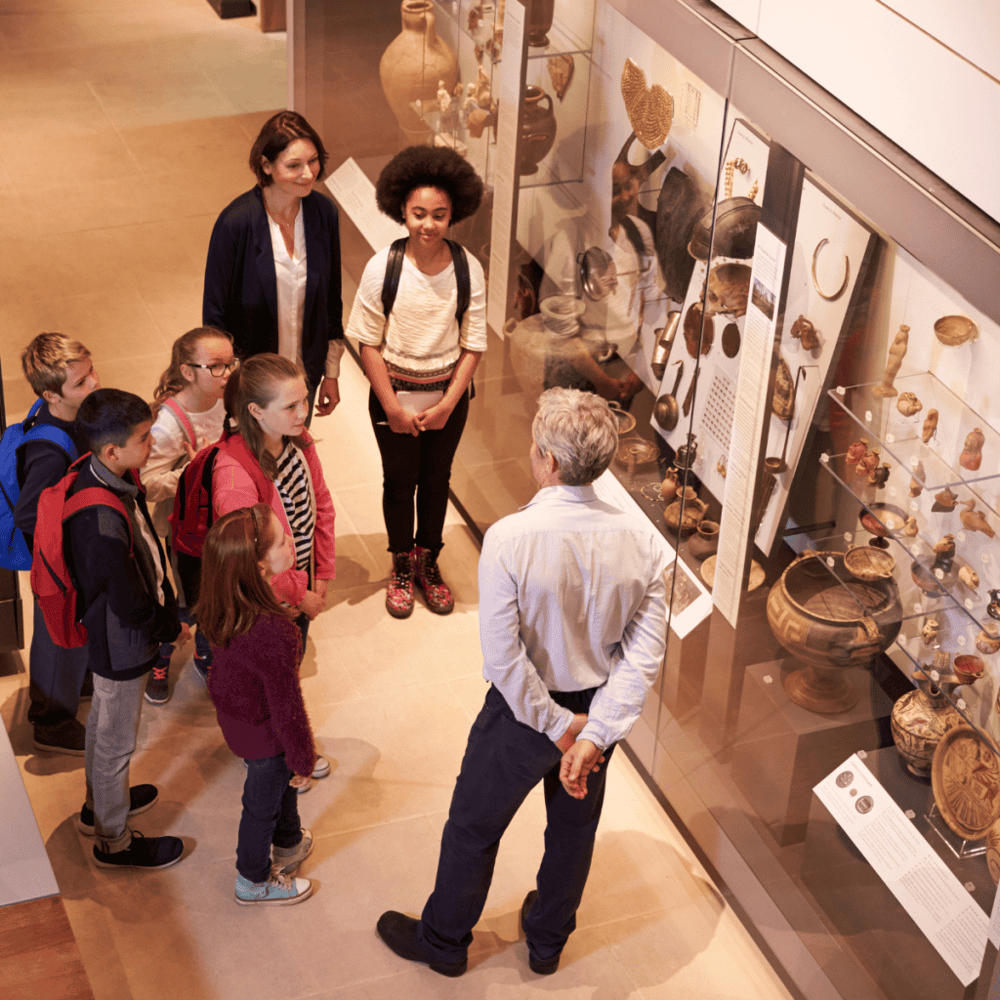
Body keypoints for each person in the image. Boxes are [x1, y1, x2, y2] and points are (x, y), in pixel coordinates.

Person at [376, 387, 668, 976]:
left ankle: (444, 941)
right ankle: (547, 944)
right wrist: (593, 734)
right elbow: (644, 655)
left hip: (523, 713)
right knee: (572, 833)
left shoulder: (511, 538)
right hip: (594, 713)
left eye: (535, 446)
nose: (531, 454)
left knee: (473, 827)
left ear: (551, 462)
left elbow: (505, 661)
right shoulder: (645, 544)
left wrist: (558, 727)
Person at [347, 145, 486, 619]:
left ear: (454, 215)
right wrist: (391, 407)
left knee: (437, 481)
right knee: (398, 482)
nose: (428, 225)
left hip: (448, 399)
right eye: (419, 214)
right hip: (394, 399)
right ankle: (401, 564)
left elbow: (474, 343)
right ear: (401, 211)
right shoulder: (381, 268)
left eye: (439, 215)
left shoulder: (468, 268)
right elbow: (366, 343)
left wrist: (447, 403)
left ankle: (430, 562)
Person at [66, 389, 190, 869]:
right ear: (111, 450)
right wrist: (167, 626)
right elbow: (126, 597)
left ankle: (98, 804)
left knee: (104, 720)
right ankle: (112, 840)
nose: (152, 444)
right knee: (117, 739)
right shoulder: (100, 517)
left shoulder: (101, 474)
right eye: (144, 438)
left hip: (113, 636)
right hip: (123, 641)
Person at [214, 354, 335, 792]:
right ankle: (274, 757)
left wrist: (321, 577)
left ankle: (285, 746)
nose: (303, 414)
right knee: (270, 688)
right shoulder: (234, 475)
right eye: (291, 406)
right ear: (255, 412)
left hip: (298, 591)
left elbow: (321, 507)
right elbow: (252, 561)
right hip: (267, 605)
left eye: (305, 400)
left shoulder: (299, 442)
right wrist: (301, 597)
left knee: (288, 674)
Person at [197, 504, 316, 905]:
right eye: (282, 541)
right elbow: (288, 707)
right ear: (260, 568)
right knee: (261, 805)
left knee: (274, 787)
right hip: (265, 734)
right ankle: (252, 879)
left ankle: (289, 843)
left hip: (238, 720)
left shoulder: (223, 601)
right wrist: (303, 759)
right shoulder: (273, 631)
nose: (290, 542)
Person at [203, 110, 344, 424]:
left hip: (303, 378)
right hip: (253, 384)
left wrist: (331, 372)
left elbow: (331, 301)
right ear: (266, 166)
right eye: (294, 165)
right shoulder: (235, 224)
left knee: (292, 460)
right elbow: (214, 317)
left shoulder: (323, 213)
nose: (308, 174)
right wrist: (226, 382)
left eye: (313, 160)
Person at [15, 333, 100, 755]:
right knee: (55, 635)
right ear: (52, 393)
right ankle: (50, 719)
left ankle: (75, 683)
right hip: (58, 563)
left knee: (71, 632)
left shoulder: (69, 417)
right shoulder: (50, 449)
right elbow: (29, 514)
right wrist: (66, 549)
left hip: (72, 556)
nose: (94, 384)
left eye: (90, 373)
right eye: (81, 383)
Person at [142, 327, 237, 704]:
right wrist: (191, 470)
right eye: (215, 366)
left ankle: (205, 652)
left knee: (219, 596)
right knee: (186, 601)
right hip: (186, 532)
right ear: (186, 371)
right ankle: (160, 659)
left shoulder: (228, 398)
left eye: (230, 363)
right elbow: (146, 483)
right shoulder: (168, 425)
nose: (227, 373)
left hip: (225, 520)